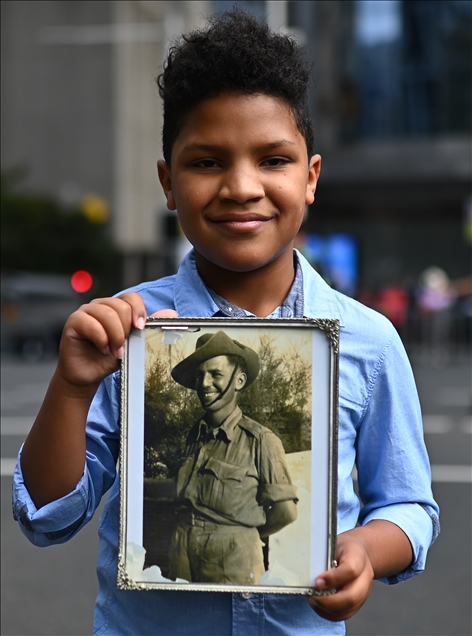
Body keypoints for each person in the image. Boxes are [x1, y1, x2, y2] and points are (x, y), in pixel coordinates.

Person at [13, 8, 439, 635]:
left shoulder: (368, 343)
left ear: (311, 177)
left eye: (273, 160)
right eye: (207, 162)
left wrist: (366, 553)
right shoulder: (127, 334)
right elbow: (48, 517)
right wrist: (73, 387)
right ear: (167, 182)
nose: (242, 186)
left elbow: (408, 505)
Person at [168, 330, 298, 585]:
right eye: (199, 375)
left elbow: (286, 512)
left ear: (238, 381)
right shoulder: (195, 435)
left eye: (215, 374)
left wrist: (242, 536)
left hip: (231, 560)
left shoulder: (261, 440)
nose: (204, 383)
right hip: (181, 550)